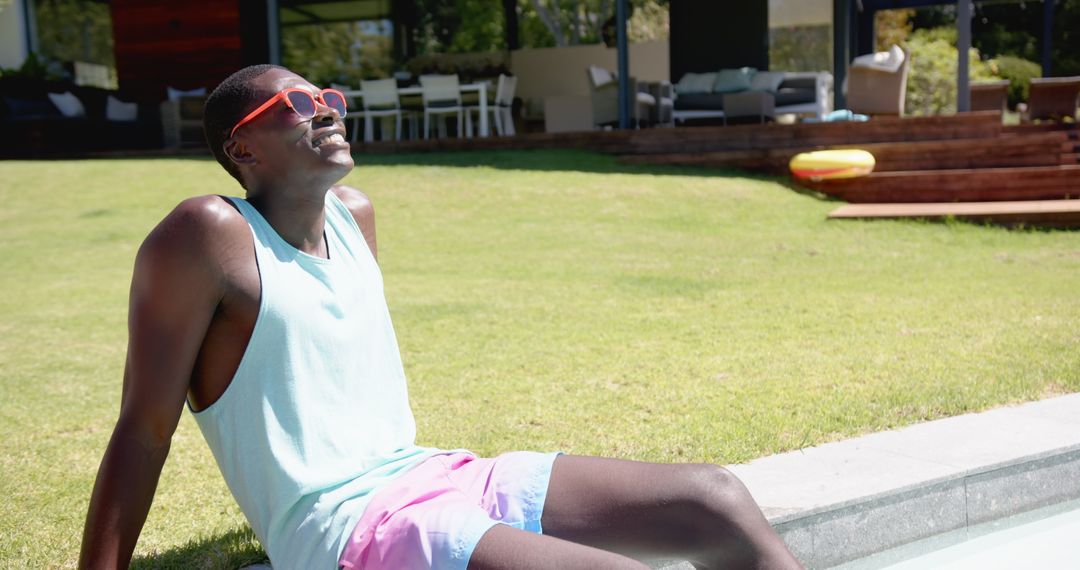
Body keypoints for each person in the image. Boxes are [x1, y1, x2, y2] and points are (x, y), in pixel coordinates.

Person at [78, 64, 803, 570]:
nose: (326, 109)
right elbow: (144, 430)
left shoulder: (354, 216)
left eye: (327, 96)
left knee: (714, 499)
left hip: (435, 473)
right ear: (241, 147)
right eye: (295, 104)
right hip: (348, 525)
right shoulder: (206, 233)